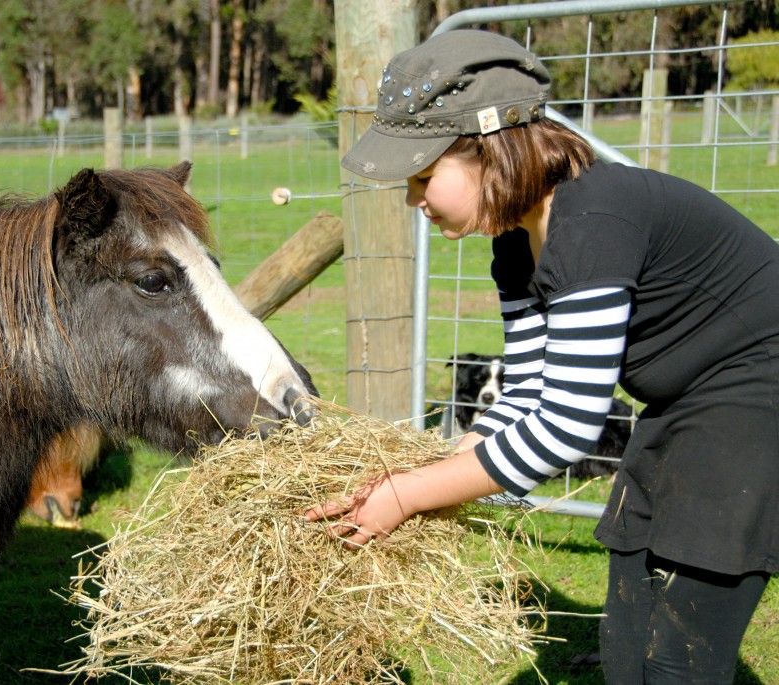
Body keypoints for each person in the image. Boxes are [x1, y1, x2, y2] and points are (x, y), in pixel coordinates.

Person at [306, 29, 777, 684]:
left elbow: (566, 425)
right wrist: (429, 465)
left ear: (492, 151)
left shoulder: (591, 220)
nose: (414, 200)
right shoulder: (515, 244)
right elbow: (525, 394)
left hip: (757, 398)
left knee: (680, 659)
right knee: (627, 631)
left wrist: (409, 493)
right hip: (686, 400)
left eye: (422, 176)